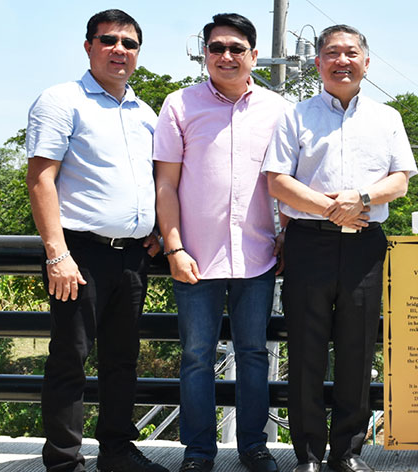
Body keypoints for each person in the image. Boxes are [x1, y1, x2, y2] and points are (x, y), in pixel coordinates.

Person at [262, 24, 417, 472]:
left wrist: (361, 200)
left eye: (351, 52)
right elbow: (278, 181)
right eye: (332, 53)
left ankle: (346, 454)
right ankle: (308, 456)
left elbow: (400, 180)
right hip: (308, 245)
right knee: (305, 353)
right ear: (318, 63)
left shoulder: (387, 117)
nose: (342, 60)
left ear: (366, 62)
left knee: (357, 351)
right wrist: (334, 209)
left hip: (366, 246)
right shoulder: (295, 115)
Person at [25, 9, 167, 472]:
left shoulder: (145, 112)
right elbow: (41, 180)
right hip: (79, 253)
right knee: (71, 358)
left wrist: (157, 230)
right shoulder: (62, 100)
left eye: (129, 42)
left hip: (132, 256)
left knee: (123, 359)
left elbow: (153, 180)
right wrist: (57, 253)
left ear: (138, 53)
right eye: (108, 40)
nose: (119, 49)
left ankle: (116, 450)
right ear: (88, 46)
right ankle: (64, 459)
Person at [153, 13, 289, 472]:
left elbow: (286, 181)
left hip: (259, 254)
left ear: (253, 55)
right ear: (204, 53)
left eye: (236, 48)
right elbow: (165, 185)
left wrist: (286, 236)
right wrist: (173, 247)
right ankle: (197, 452)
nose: (226, 56)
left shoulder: (279, 108)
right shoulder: (179, 105)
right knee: (195, 357)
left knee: (254, 354)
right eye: (216, 48)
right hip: (195, 256)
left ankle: (254, 446)